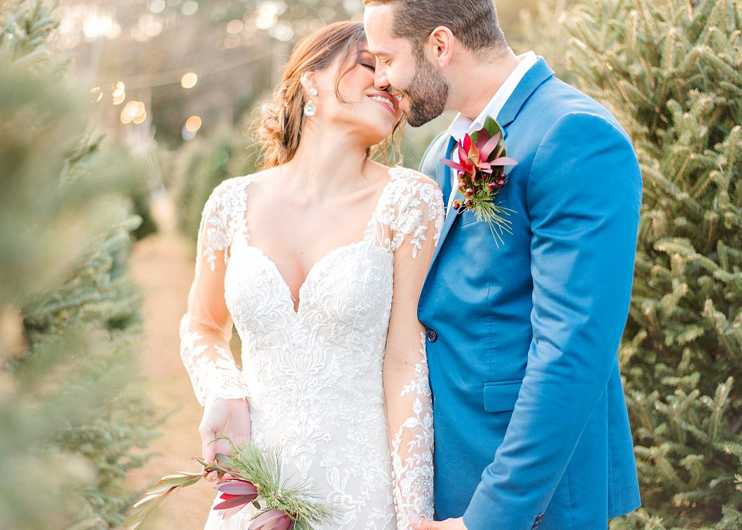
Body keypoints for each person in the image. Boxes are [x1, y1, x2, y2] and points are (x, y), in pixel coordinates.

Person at [362, 1, 642, 529]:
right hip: (449, 475)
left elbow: (572, 349)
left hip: (528, 500)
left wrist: (487, 519)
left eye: (385, 58)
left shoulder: (575, 134)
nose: (380, 79)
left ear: (440, 46)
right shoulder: (443, 152)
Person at [179, 21, 444, 530]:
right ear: (310, 79)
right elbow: (202, 326)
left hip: (362, 496)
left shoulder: (410, 201)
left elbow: (406, 363)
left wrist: (414, 515)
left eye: (393, 71)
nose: (388, 82)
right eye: (370, 64)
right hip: (256, 492)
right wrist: (223, 390)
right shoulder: (229, 203)